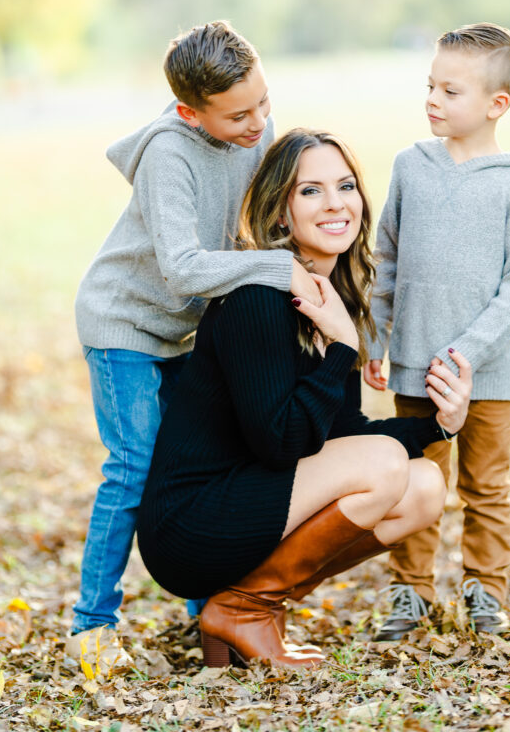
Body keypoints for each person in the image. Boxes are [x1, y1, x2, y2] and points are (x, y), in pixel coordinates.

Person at [136, 129, 472, 668]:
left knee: (425, 485)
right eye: (311, 191)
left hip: (253, 502)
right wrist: (341, 347)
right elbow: (281, 443)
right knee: (386, 466)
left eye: (345, 186)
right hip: (192, 523)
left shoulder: (333, 298)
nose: (336, 204)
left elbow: (340, 433)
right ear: (280, 216)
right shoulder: (257, 300)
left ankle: (249, 605)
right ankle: (244, 610)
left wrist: (441, 425)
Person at [69, 22, 319, 653]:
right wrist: (278, 268)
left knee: (199, 462)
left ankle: (209, 606)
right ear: (190, 111)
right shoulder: (170, 155)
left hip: (183, 327)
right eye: (239, 115)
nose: (259, 123)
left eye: (264, 101)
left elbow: (261, 216)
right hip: (124, 321)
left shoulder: (249, 123)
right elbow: (182, 266)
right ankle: (92, 626)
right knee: (134, 469)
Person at [363, 23, 510, 637]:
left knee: (486, 486)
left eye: (451, 90)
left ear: (498, 104)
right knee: (418, 480)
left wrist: (465, 353)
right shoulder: (410, 167)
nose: (433, 100)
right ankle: (411, 592)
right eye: (431, 86)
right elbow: (385, 259)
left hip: (489, 375)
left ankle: (484, 591)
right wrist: (376, 336)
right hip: (417, 368)